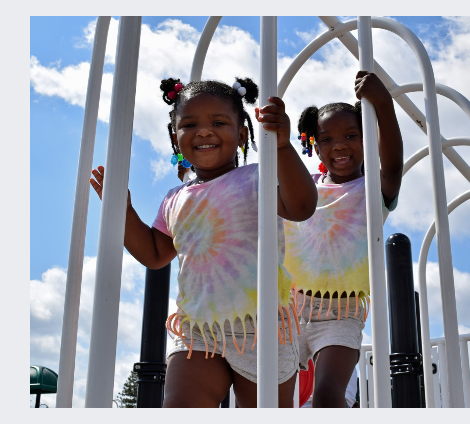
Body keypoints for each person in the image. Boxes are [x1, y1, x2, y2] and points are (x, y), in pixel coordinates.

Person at [89, 76, 317, 408]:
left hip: (261, 326)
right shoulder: (175, 198)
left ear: (242, 133)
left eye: (219, 122)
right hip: (197, 329)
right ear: (174, 136)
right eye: (190, 124)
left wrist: (281, 147)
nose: (204, 131)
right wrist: (123, 211)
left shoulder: (257, 177)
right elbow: (154, 254)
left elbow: (301, 206)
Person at [284, 71, 403, 407]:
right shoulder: (306, 186)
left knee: (327, 393)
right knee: (271, 394)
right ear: (314, 143)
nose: (338, 145)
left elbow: (393, 165)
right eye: (326, 139)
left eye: (352, 135)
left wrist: (383, 105)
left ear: (367, 140)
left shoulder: (372, 190)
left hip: (341, 310)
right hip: (291, 308)